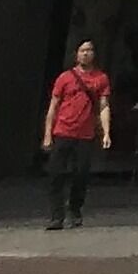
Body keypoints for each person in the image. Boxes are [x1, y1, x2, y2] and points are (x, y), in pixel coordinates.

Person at [42, 39, 113, 229]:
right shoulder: (65, 77)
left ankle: (75, 209)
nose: (86, 54)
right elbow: (53, 106)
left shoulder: (101, 78)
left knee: (80, 174)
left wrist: (106, 132)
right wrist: (48, 133)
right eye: (82, 50)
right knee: (55, 174)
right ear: (76, 54)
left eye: (89, 50)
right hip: (63, 131)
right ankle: (57, 216)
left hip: (85, 134)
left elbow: (104, 106)